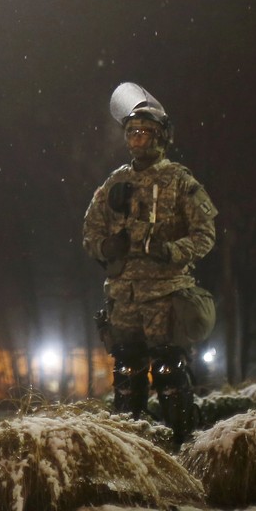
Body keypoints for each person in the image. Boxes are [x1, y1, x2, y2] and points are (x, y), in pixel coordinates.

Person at [82, 83, 217, 444]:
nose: (138, 139)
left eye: (145, 132)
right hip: (124, 299)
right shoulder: (114, 183)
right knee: (127, 377)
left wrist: (171, 250)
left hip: (165, 296)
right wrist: (107, 245)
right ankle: (131, 449)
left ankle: (183, 447)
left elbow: (206, 235)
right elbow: (90, 234)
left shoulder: (179, 181)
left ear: (161, 137)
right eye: (132, 132)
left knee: (170, 374)